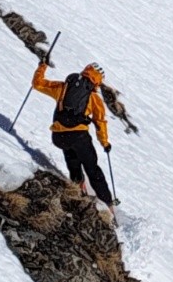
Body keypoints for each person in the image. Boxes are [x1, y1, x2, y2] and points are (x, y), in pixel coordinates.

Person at [32, 59, 114, 209]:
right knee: (92, 169)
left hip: (59, 137)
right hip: (79, 137)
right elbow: (100, 122)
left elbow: (38, 84)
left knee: (73, 163)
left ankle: (77, 189)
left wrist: (42, 66)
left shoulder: (63, 87)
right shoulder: (94, 98)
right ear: (97, 81)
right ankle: (108, 204)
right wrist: (105, 143)